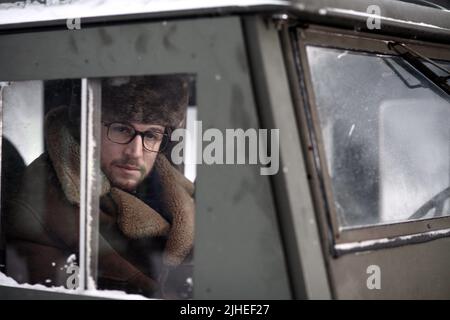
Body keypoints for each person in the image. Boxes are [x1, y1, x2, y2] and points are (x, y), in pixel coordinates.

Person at [2, 75, 195, 299]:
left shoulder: (181, 198)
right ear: (88, 127)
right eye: (121, 129)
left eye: (151, 135)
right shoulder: (39, 206)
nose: (135, 151)